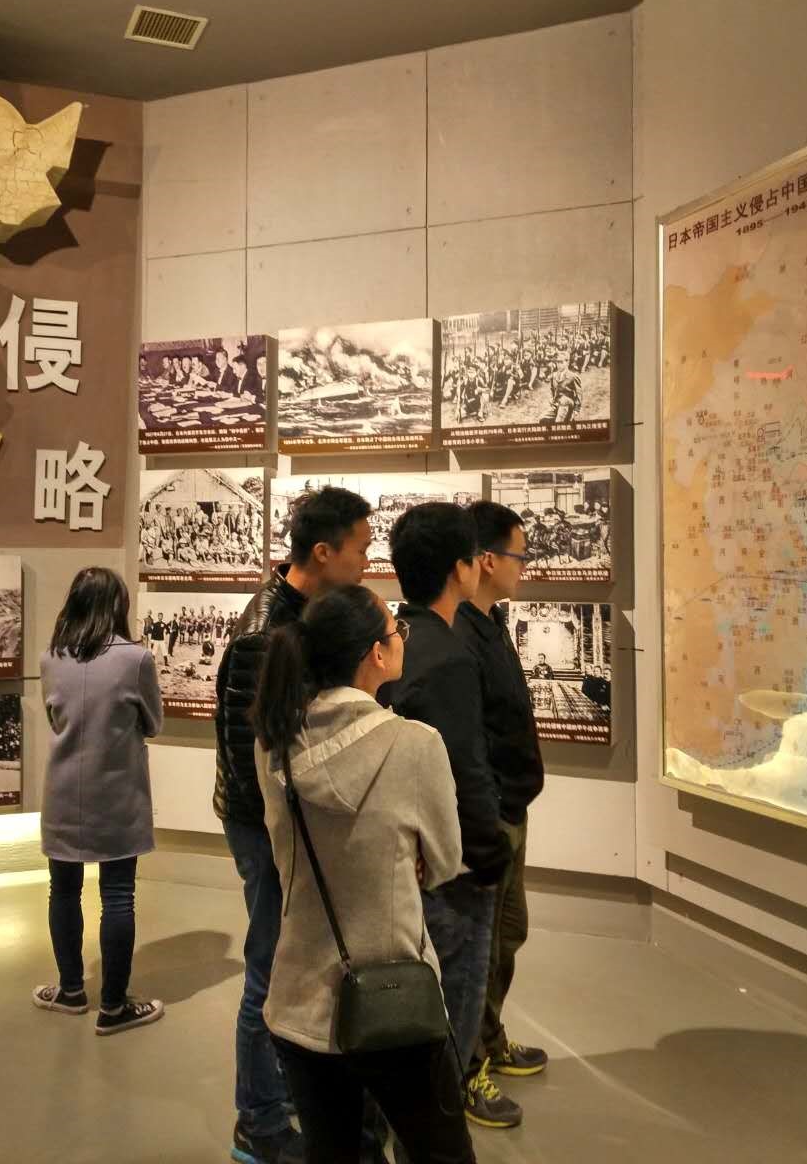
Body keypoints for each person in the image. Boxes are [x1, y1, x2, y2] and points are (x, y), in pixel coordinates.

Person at [252, 584, 474, 1164]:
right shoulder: (415, 745)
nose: (402, 637)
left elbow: (282, 852)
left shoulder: (273, 742)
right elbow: (443, 862)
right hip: (395, 997)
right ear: (377, 654)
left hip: (299, 1000)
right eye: (397, 630)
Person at [214, 486, 373, 1164]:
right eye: (360, 549)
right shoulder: (265, 633)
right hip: (266, 828)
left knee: (286, 961)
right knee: (269, 967)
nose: (367, 561)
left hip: (285, 824)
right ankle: (259, 1120)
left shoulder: (301, 616)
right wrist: (290, 836)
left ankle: (282, 1098)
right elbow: (245, 755)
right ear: (324, 552)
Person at [379, 504, 515, 1135]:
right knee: (451, 1008)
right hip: (452, 864)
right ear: (462, 569)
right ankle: (436, 1126)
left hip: (403, 854)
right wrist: (489, 854)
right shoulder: (451, 656)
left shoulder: (395, 642)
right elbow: (466, 770)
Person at [34, 567, 164, 1035]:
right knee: (118, 895)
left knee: (63, 890)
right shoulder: (136, 659)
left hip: (62, 792)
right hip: (118, 794)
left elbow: (54, 719)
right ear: (118, 606)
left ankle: (71, 991)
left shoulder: (51, 657)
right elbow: (153, 724)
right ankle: (113, 1006)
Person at [455, 503, 548, 1116]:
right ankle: (467, 1068)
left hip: (510, 810)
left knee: (506, 935)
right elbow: (468, 741)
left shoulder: (489, 623)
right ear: (487, 560)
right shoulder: (462, 635)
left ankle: (488, 1040)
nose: (524, 566)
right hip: (492, 817)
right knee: (478, 949)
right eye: (518, 554)